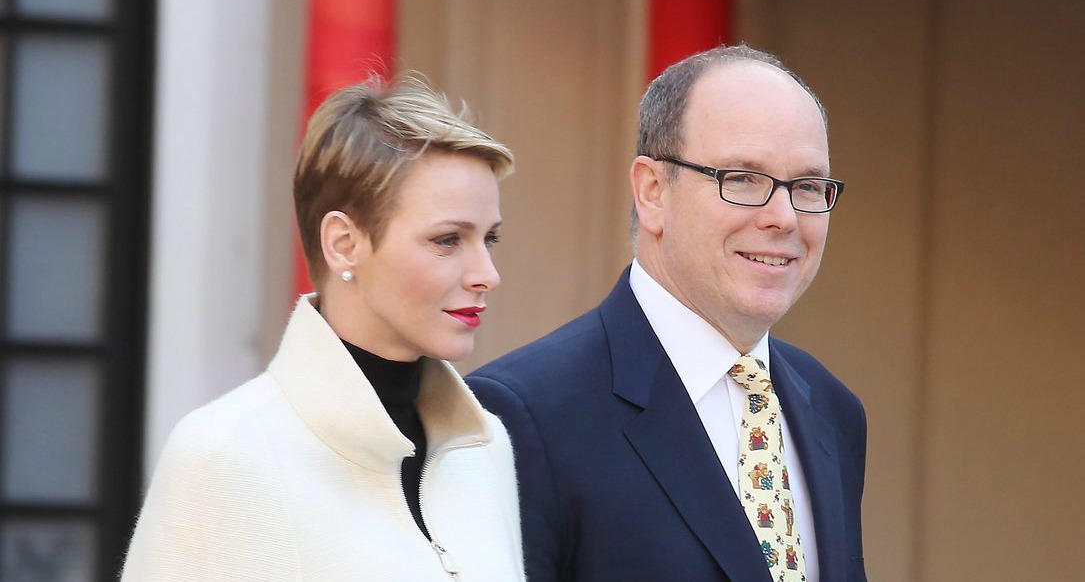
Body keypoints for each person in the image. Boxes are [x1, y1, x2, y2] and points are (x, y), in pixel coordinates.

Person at [467, 45, 867, 582]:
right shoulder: (521, 414)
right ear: (652, 192)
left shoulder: (833, 411)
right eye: (743, 179)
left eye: (808, 186)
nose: (784, 217)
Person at [122, 74, 525, 581]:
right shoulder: (225, 454)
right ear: (343, 243)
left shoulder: (486, 451)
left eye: (489, 239)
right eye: (447, 240)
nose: (486, 275)